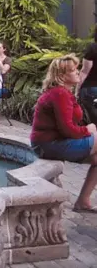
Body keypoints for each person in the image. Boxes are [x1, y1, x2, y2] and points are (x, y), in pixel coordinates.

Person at [30, 54, 97, 214]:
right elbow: (67, 129)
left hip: (50, 142)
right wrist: (87, 130)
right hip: (48, 144)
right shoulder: (59, 94)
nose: (77, 72)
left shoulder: (62, 92)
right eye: (73, 70)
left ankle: (83, 201)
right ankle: (82, 201)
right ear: (62, 76)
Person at [76, 26, 97, 124]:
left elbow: (85, 71)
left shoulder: (93, 48)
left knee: (91, 120)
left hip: (91, 88)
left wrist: (77, 90)